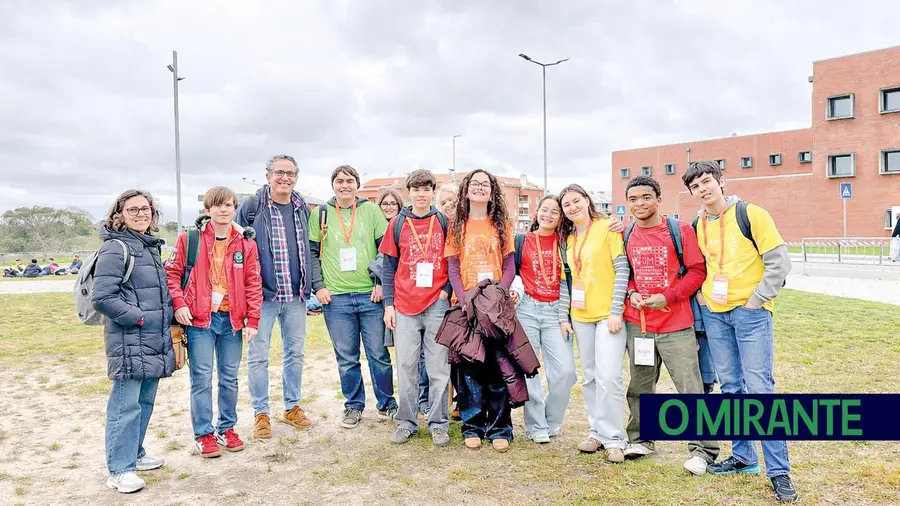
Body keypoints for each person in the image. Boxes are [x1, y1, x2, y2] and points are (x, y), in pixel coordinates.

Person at [682, 161, 797, 503]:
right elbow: (698, 266)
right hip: (715, 315)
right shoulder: (697, 223)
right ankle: (744, 457)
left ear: (720, 181)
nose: (703, 190)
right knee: (731, 387)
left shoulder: (751, 214)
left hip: (750, 313)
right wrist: (701, 296)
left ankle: (779, 472)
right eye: (695, 187)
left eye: (707, 182)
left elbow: (779, 261)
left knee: (760, 389)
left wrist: (758, 299)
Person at [619, 176, 719, 474]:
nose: (640, 203)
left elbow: (697, 272)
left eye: (646, 197)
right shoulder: (626, 235)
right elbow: (627, 275)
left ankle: (703, 451)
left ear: (658, 199)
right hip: (640, 325)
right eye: (634, 199)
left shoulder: (680, 230)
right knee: (640, 386)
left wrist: (669, 296)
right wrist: (633, 293)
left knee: (690, 388)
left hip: (676, 324)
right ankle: (641, 440)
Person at [165, 186, 263, 458]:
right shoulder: (190, 239)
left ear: (235, 209)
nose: (223, 210)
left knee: (230, 378)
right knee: (202, 378)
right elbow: (172, 275)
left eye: (229, 205)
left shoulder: (246, 243)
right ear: (207, 210)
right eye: (217, 205)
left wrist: (252, 319)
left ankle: (227, 428)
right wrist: (180, 303)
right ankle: (204, 434)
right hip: (200, 322)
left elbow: (254, 282)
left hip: (231, 321)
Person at [92, 189, 175, 494]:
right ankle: (119, 469)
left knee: (143, 402)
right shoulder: (116, 247)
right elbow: (103, 297)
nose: (141, 214)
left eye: (146, 209)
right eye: (133, 210)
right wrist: (139, 317)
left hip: (152, 339)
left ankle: (135, 454)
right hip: (130, 339)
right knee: (126, 405)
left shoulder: (148, 247)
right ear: (119, 215)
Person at [309, 164, 397, 429]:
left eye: (349, 181)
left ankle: (387, 403)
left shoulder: (371, 210)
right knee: (346, 357)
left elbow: (386, 251)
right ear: (332, 185)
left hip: (370, 296)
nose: (344, 185)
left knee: (378, 355)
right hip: (335, 298)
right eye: (339, 181)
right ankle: (353, 406)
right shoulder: (321, 213)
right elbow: (312, 253)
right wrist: (319, 286)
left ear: (357, 185)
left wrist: (381, 282)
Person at [236, 154, 314, 439]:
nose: (285, 178)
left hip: (296, 296)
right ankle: (261, 413)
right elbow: (237, 248)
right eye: (279, 172)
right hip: (263, 297)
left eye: (291, 173)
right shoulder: (252, 207)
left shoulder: (301, 206)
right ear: (268, 175)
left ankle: (292, 406)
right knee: (258, 356)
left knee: (295, 353)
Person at [444, 169, 518, 452]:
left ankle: (500, 427)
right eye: (474, 184)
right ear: (466, 190)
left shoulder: (501, 225)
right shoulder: (457, 226)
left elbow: (510, 264)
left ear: (492, 191)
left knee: (498, 369)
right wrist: (464, 299)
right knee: (469, 370)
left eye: (484, 184)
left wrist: (500, 293)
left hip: (496, 306)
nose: (479, 188)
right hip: (466, 306)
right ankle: (472, 426)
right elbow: (452, 267)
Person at [558, 183, 630, 463]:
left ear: (587, 200)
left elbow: (622, 268)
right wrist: (565, 316)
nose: (573, 207)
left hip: (607, 316)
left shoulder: (607, 228)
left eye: (577, 201)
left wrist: (615, 311)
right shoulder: (570, 239)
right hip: (581, 316)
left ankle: (614, 438)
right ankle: (596, 431)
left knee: (609, 377)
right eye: (567, 205)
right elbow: (568, 279)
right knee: (589, 376)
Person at [380, 169, 453, 446]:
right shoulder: (397, 223)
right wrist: (389, 305)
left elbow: (452, 262)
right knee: (406, 366)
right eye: (416, 189)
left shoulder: (444, 221)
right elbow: (388, 268)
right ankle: (406, 422)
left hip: (436, 304)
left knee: (438, 369)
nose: (421, 194)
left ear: (433, 192)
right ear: (408, 192)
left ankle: (438, 423)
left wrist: (446, 291)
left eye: (426, 189)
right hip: (404, 305)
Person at [510, 195, 577, 444]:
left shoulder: (567, 243)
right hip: (527, 308)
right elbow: (513, 272)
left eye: (555, 212)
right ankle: (536, 425)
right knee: (529, 369)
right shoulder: (521, 240)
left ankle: (551, 420)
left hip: (556, 311)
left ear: (562, 217)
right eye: (544, 210)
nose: (548, 215)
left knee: (565, 372)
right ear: (537, 212)